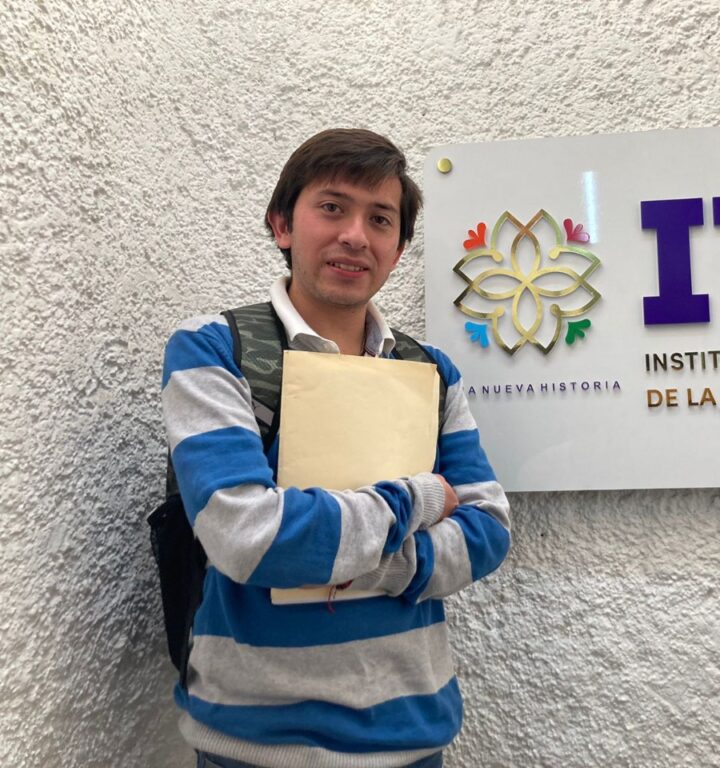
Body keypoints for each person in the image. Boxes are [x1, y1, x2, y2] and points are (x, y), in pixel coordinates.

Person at [161, 129, 511, 768]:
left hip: (412, 740)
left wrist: (347, 554)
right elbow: (249, 537)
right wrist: (418, 499)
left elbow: (487, 527)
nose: (355, 235)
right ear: (281, 224)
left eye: (380, 219)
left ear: (398, 249)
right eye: (332, 207)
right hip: (252, 746)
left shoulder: (430, 370)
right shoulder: (214, 350)